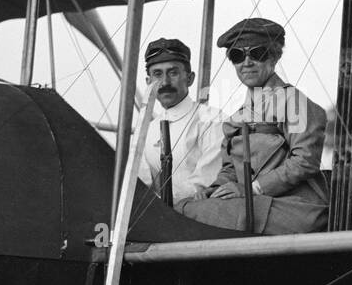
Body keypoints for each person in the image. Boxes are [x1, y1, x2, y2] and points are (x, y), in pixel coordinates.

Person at [177, 18, 329, 234]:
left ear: (275, 57)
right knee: (185, 208)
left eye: (257, 53)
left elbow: (304, 162)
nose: (246, 62)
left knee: (189, 215)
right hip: (257, 204)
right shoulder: (239, 116)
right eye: (237, 56)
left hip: (295, 208)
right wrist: (214, 190)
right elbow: (230, 168)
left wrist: (252, 189)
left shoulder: (294, 102)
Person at [137, 38, 224, 205]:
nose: (165, 82)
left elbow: (203, 183)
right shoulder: (146, 131)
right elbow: (142, 184)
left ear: (190, 78)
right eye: (157, 74)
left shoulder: (212, 120)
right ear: (148, 82)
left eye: (173, 72)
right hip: (158, 219)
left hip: (201, 215)